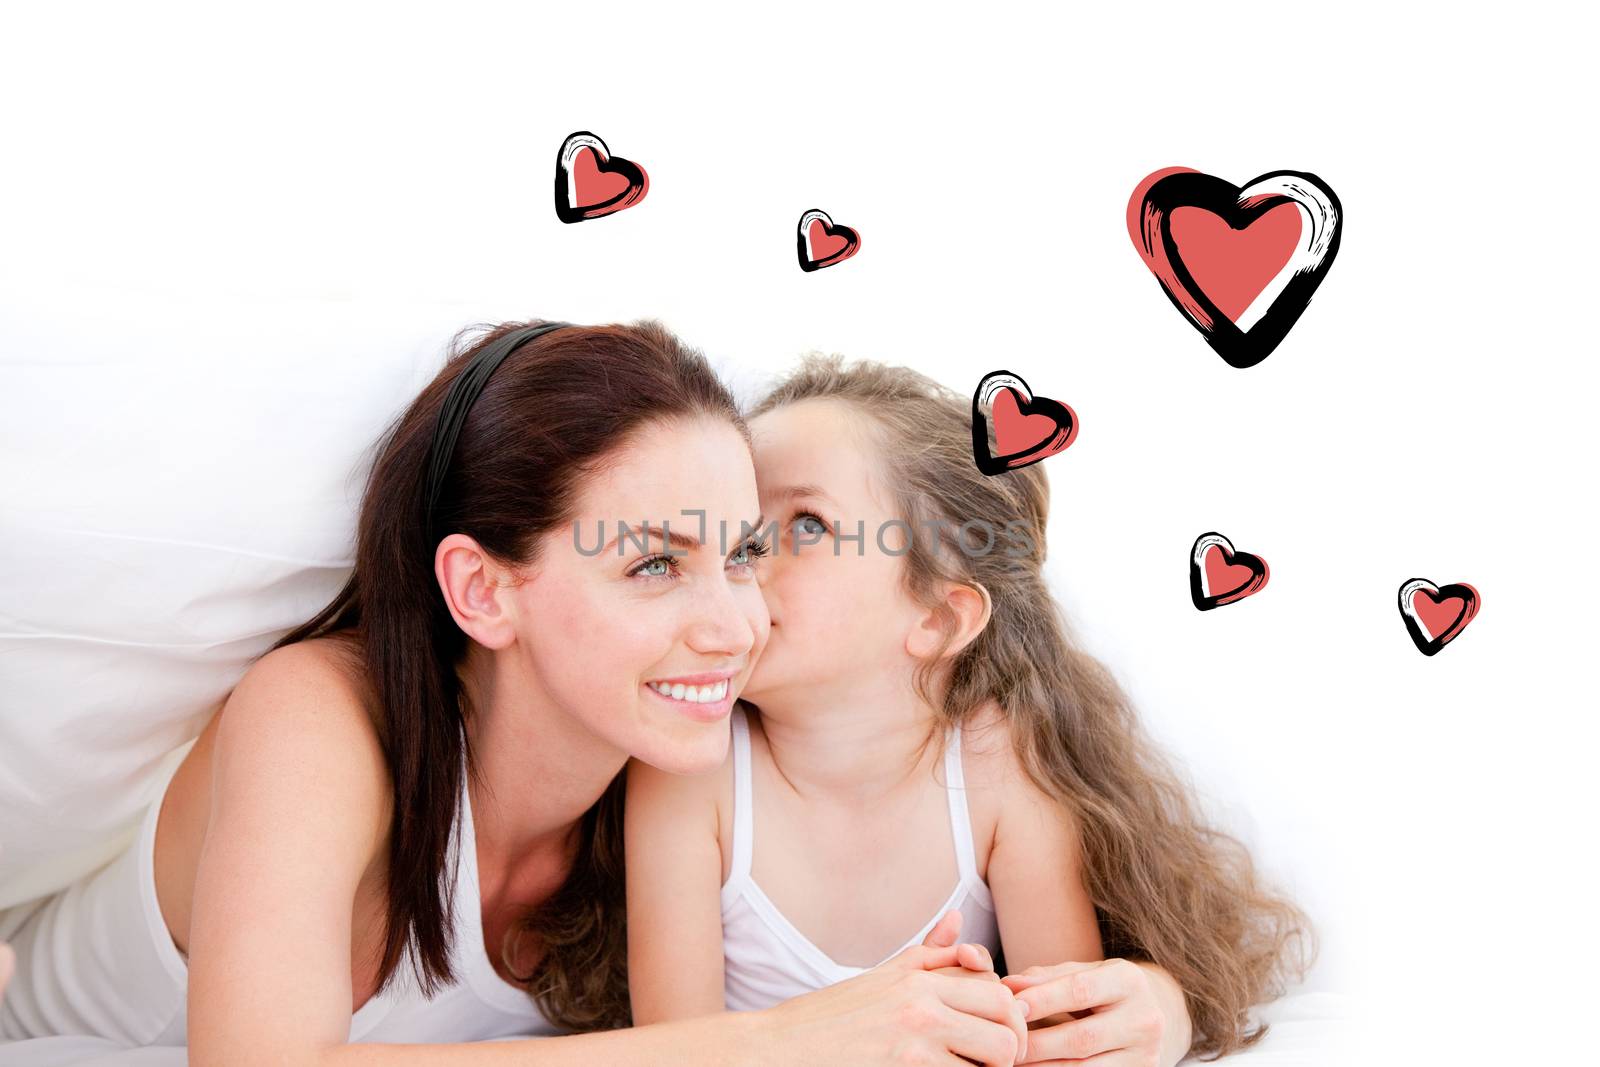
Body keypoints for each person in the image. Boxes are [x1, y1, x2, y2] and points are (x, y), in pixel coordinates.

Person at [0, 320, 1032, 1066]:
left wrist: (1152, 1004)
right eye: (653, 565)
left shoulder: (685, 768)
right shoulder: (319, 714)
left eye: (746, 550)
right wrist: (778, 1041)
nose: (734, 623)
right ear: (483, 589)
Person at [626, 354, 1316, 1062]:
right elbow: (672, 1052)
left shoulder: (995, 764)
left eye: (805, 524)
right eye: (743, 530)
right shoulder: (692, 770)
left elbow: (1060, 1032)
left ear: (938, 617)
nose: (739, 562)